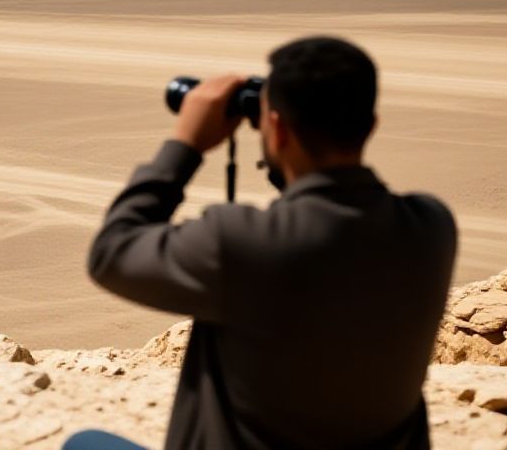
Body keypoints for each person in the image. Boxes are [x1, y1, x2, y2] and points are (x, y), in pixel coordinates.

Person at [73, 36, 458, 450]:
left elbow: (112, 252)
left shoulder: (241, 243)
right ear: (371, 125)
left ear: (275, 127)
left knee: (85, 443)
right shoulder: (431, 225)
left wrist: (184, 144)